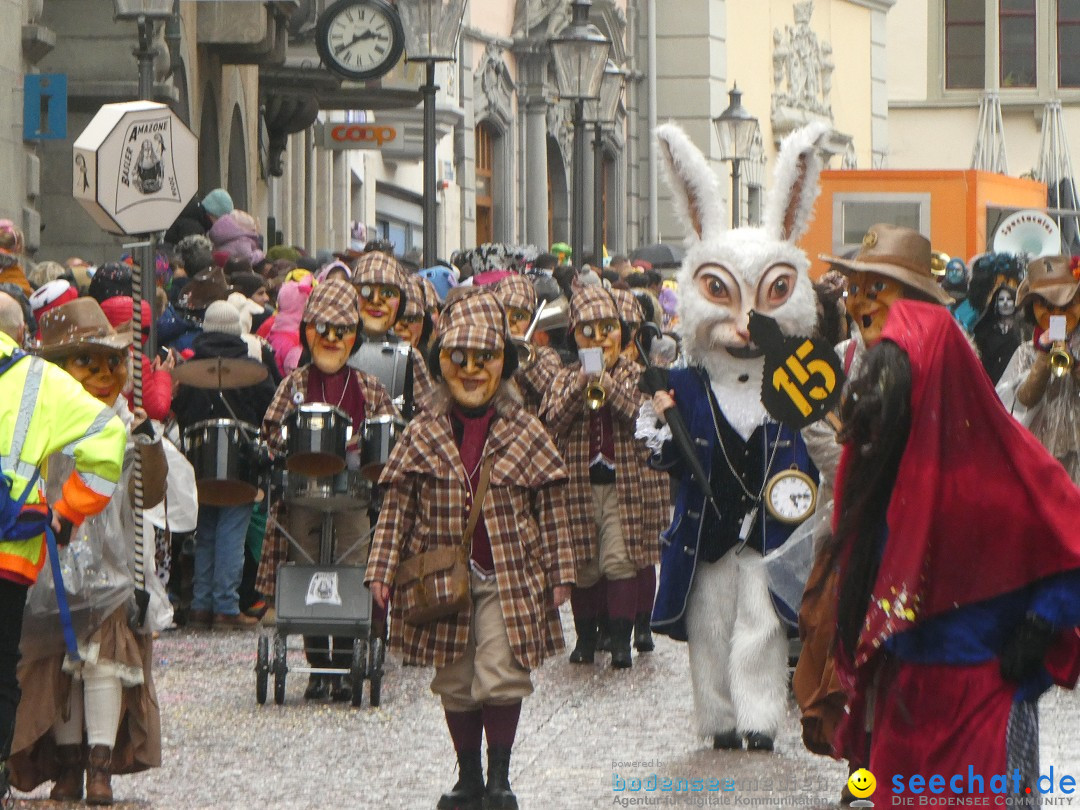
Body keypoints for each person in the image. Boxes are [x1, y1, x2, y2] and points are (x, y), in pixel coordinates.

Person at [828, 300, 1080, 794]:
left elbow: (1067, 540)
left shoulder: (1000, 465)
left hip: (985, 694)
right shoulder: (884, 466)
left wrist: (1041, 621)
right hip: (906, 694)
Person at [365, 289, 574, 810]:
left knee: (502, 673)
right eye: (460, 357)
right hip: (438, 575)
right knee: (455, 677)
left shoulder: (526, 429)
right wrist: (381, 572)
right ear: (441, 363)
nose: (473, 369)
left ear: (503, 363)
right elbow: (397, 507)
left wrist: (562, 571)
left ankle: (500, 778)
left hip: (512, 573)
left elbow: (552, 506)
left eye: (485, 358)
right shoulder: (422, 430)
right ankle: (469, 777)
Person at [794, 224, 954, 767]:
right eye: (855, 286)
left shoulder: (949, 354)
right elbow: (815, 426)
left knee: (906, 664)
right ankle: (863, 777)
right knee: (849, 658)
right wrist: (858, 474)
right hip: (855, 529)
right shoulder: (840, 358)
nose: (860, 300)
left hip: (922, 537)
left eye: (875, 288)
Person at [8, 298, 161, 805]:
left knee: (104, 658)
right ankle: (67, 768)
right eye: (85, 362)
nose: (102, 373)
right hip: (48, 557)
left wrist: (150, 441)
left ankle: (100, 769)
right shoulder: (44, 408)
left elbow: (153, 494)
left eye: (112, 362)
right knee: (55, 661)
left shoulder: (124, 421)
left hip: (110, 565)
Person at [258, 280, 399, 701]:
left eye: (342, 330)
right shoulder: (295, 384)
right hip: (304, 493)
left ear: (354, 336)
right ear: (308, 331)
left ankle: (344, 661)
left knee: (353, 569)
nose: (332, 339)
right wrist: (282, 444)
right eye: (324, 329)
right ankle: (318, 664)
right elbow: (270, 430)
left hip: (353, 492)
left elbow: (389, 432)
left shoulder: (369, 387)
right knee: (305, 569)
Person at [540, 286, 654, 669]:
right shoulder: (563, 377)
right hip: (579, 483)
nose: (600, 337)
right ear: (574, 334)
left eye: (608, 328)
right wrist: (581, 387)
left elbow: (645, 418)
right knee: (584, 566)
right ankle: (586, 639)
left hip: (623, 483)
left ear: (620, 331)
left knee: (620, 562)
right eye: (589, 330)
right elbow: (552, 420)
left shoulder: (636, 373)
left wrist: (610, 386)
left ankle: (621, 642)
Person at [172, 300, 276, 629]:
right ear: (236, 331)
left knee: (205, 533)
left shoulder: (191, 371)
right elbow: (268, 413)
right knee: (232, 532)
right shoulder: (252, 371)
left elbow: (181, 412)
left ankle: (201, 605)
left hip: (199, 462)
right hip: (240, 463)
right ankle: (226, 608)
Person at [997, 255, 1080, 483]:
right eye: (1045, 305)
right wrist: (1043, 358)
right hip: (1037, 458)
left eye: (1066, 305)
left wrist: (1074, 362)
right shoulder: (1026, 352)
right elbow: (1023, 400)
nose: (1056, 314)